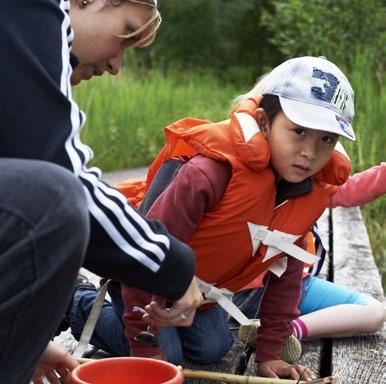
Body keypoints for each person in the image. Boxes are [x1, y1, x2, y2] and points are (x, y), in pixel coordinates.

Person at [70, 56, 363, 381]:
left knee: (213, 347)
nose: (310, 152)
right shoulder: (209, 173)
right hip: (144, 278)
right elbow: (142, 255)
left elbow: (287, 278)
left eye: (327, 139)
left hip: (204, 294)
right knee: (168, 357)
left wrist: (269, 354)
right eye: (299, 131)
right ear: (264, 123)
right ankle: (76, 302)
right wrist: (145, 346)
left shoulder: (308, 192)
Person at [0, 1, 204, 383]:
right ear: (88, 1)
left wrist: (20, 340)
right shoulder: (30, 10)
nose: (115, 65)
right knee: (55, 199)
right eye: (125, 34)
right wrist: (172, 264)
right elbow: (65, 180)